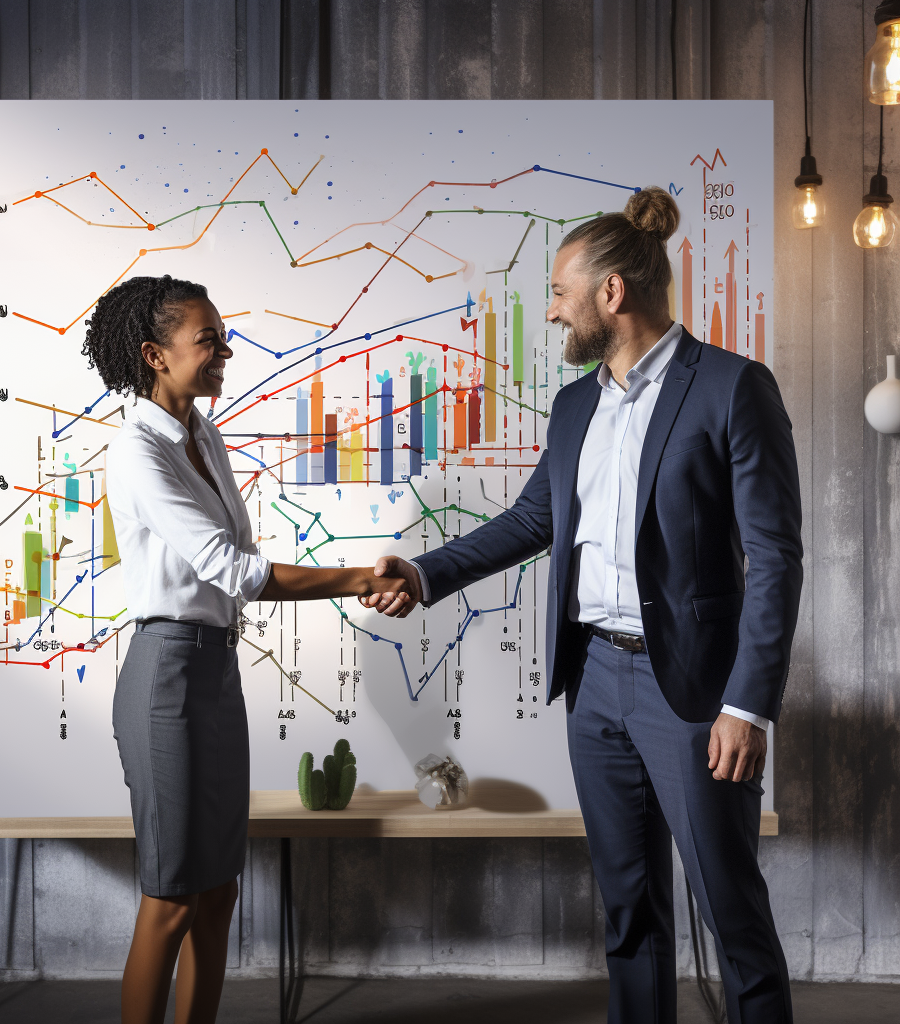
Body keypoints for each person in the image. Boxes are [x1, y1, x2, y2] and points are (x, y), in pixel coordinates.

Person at [364, 187, 802, 1024]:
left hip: (697, 697)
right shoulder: (574, 406)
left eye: (561, 293)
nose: (553, 312)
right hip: (594, 684)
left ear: (612, 294)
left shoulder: (733, 388)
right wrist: (421, 575)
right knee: (628, 915)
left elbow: (776, 558)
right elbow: (535, 519)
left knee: (732, 919)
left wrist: (747, 704)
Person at [83, 275, 411, 1024]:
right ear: (153, 355)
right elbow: (232, 568)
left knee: (219, 889)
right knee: (169, 898)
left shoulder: (202, 434)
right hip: (166, 675)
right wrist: (358, 576)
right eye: (208, 339)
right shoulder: (138, 450)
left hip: (215, 670)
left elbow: (238, 553)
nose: (225, 350)